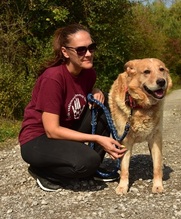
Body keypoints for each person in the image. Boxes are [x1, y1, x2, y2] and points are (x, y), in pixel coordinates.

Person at [19, 23, 127, 192]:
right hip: (38, 139)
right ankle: (43, 172)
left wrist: (95, 90)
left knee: (104, 102)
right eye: (81, 50)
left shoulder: (88, 73)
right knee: (86, 162)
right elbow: (52, 131)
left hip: (64, 131)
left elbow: (78, 94)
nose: (89, 54)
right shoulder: (53, 78)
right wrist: (97, 139)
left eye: (91, 47)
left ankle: (92, 169)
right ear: (65, 52)